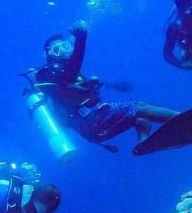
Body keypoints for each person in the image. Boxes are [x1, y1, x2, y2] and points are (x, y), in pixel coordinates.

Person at [33, 20, 179, 149]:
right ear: (49, 56)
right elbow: (71, 73)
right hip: (91, 120)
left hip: (92, 128)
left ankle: (144, 142)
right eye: (57, 50)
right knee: (141, 107)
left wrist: (88, 87)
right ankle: (182, 119)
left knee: (140, 117)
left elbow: (71, 90)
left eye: (66, 47)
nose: (64, 52)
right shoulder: (48, 73)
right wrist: (81, 39)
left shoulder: (62, 77)